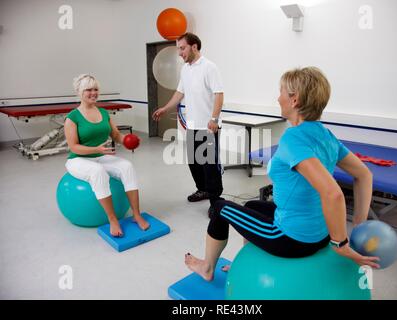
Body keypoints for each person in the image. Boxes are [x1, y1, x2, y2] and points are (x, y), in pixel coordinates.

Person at [184, 67, 380, 281]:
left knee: (219, 208)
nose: (278, 98)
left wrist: (341, 243)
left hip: (292, 238)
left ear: (294, 100)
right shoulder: (326, 135)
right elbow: (364, 175)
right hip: (319, 233)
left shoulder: (293, 138)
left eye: (281, 92)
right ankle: (250, 264)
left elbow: (333, 194)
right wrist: (359, 225)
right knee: (251, 207)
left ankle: (207, 268)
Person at [64, 74, 150, 237]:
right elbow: (74, 147)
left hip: (100, 155)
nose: (93, 93)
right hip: (78, 159)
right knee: (97, 172)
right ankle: (112, 219)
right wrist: (96, 149)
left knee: (127, 166)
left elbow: (116, 135)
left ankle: (136, 214)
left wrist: (128, 140)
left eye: (95, 89)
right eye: (88, 90)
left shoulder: (103, 113)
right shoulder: (73, 117)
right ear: (80, 92)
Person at [152, 32, 224, 214]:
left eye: (182, 48)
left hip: (208, 127)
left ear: (194, 46)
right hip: (192, 125)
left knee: (209, 166)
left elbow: (218, 94)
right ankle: (203, 190)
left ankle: (216, 201)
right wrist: (165, 108)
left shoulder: (209, 67)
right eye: (178, 48)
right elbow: (179, 93)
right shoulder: (185, 69)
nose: (179, 52)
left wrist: (214, 119)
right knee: (194, 162)